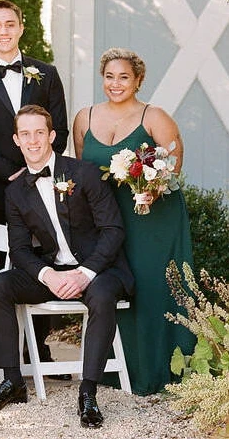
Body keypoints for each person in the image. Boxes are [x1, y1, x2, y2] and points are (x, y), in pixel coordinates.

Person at [0, 105, 133, 430]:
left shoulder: (84, 172)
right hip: (54, 272)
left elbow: (113, 230)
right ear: (17, 140)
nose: (33, 141)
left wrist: (84, 273)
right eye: (26, 134)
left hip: (99, 271)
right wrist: (49, 275)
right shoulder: (16, 191)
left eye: (39, 133)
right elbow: (19, 249)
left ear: (52, 136)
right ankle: (11, 380)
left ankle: (87, 392)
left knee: (102, 295)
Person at [73, 48, 195, 395]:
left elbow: (173, 163)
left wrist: (152, 190)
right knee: (116, 285)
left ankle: (162, 372)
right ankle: (115, 372)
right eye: (109, 76)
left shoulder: (153, 116)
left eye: (124, 77)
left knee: (153, 287)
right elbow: (83, 170)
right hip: (109, 222)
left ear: (138, 79)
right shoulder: (85, 117)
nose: (116, 84)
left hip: (153, 219)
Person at [0, 0, 69, 367]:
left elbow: (61, 130)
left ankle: (40, 344)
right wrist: (12, 172)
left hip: (44, 185)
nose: (3, 31)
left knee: (43, 255)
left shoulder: (46, 73)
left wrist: (35, 168)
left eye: (10, 24)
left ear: (21, 27)